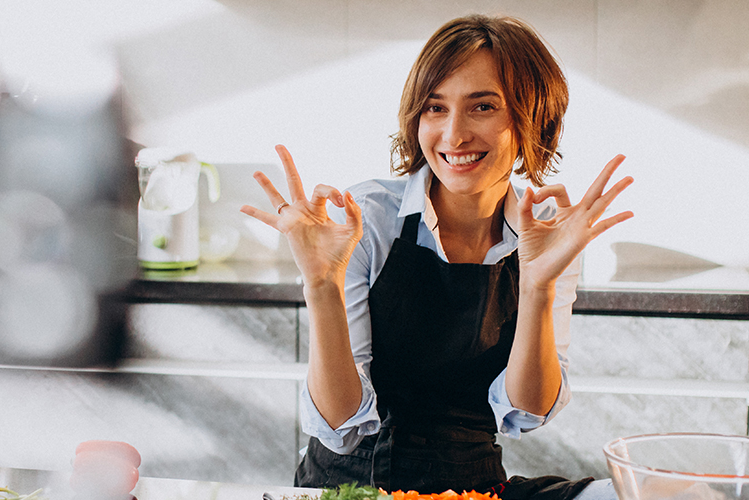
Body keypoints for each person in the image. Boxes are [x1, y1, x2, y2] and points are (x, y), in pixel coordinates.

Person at [240, 14, 633, 500]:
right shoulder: (368, 219)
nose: (454, 135)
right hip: (350, 489)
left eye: (483, 106)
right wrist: (321, 285)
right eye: (435, 108)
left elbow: (526, 412)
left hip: (472, 491)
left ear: (534, 119)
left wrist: (538, 283)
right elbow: (340, 423)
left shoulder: (547, 231)